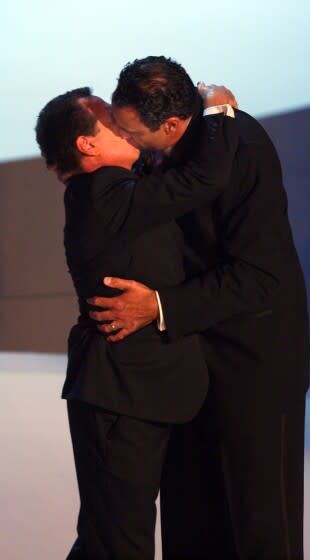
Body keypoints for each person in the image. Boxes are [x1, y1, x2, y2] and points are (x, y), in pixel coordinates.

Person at [88, 56, 310, 560]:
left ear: (170, 124)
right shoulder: (178, 143)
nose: (123, 141)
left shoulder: (244, 150)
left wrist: (159, 306)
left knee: (258, 529)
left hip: (254, 369)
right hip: (187, 366)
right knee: (191, 524)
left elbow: (262, 275)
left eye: (129, 132)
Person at [35, 84, 239, 559]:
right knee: (116, 544)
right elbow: (201, 180)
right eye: (112, 122)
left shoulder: (120, 187)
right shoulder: (99, 190)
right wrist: (219, 109)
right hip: (119, 394)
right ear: (87, 144)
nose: (129, 127)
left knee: (110, 541)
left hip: (142, 390)